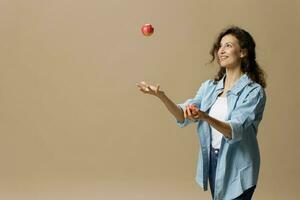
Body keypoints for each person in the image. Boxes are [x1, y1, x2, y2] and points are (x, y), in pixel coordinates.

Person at [136, 26, 266, 200]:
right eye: (220, 46)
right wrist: (161, 96)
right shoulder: (209, 87)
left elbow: (234, 129)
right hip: (214, 159)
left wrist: (204, 116)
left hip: (239, 164)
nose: (221, 50)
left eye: (228, 45)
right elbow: (182, 115)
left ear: (242, 52)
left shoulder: (253, 91)